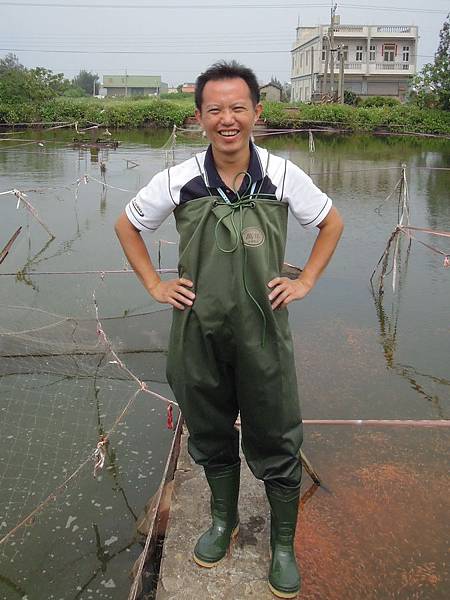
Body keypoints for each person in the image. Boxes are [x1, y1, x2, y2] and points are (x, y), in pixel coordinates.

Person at [115, 60, 343, 599]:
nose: (227, 119)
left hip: (264, 332)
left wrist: (306, 279)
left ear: (256, 113)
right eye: (215, 109)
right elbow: (127, 225)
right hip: (198, 330)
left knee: (277, 433)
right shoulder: (180, 179)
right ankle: (223, 520)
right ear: (199, 118)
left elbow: (331, 223)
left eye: (238, 107)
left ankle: (283, 545)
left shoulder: (283, 175)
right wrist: (154, 285)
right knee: (211, 430)